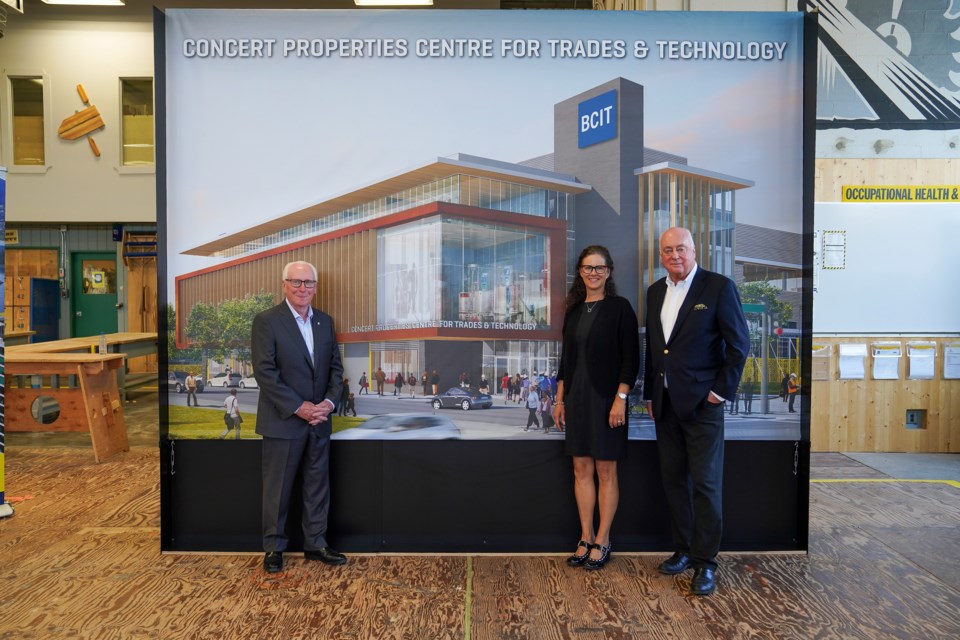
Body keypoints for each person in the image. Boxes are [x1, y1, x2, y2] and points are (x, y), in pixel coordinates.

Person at [643, 227, 749, 596]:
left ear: (694, 250)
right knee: (674, 482)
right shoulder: (655, 291)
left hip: (704, 406)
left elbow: (739, 345)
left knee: (705, 485)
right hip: (666, 405)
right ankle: (684, 550)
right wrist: (650, 395)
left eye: (681, 249)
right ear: (661, 255)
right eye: (668, 250)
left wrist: (720, 393)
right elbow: (656, 350)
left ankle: (705, 563)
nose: (675, 255)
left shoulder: (719, 287)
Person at [252, 260, 346, 574]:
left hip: (319, 421)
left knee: (317, 485)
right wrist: (299, 407)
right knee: (277, 489)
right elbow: (265, 372)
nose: (302, 288)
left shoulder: (325, 322)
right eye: (296, 282)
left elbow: (335, 369)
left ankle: (316, 544)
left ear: (316, 287)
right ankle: (274, 549)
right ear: (284, 285)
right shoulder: (267, 321)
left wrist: (329, 404)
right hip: (284, 421)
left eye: (308, 283)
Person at [553, 245, 639, 572]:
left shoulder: (620, 308)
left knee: (606, 471)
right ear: (580, 272)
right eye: (588, 268)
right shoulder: (574, 312)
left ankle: (603, 539)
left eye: (599, 268)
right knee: (580, 470)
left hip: (607, 400)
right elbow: (566, 362)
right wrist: (560, 399)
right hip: (576, 400)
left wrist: (620, 399)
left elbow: (632, 359)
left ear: (609, 272)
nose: (593, 273)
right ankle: (585, 536)